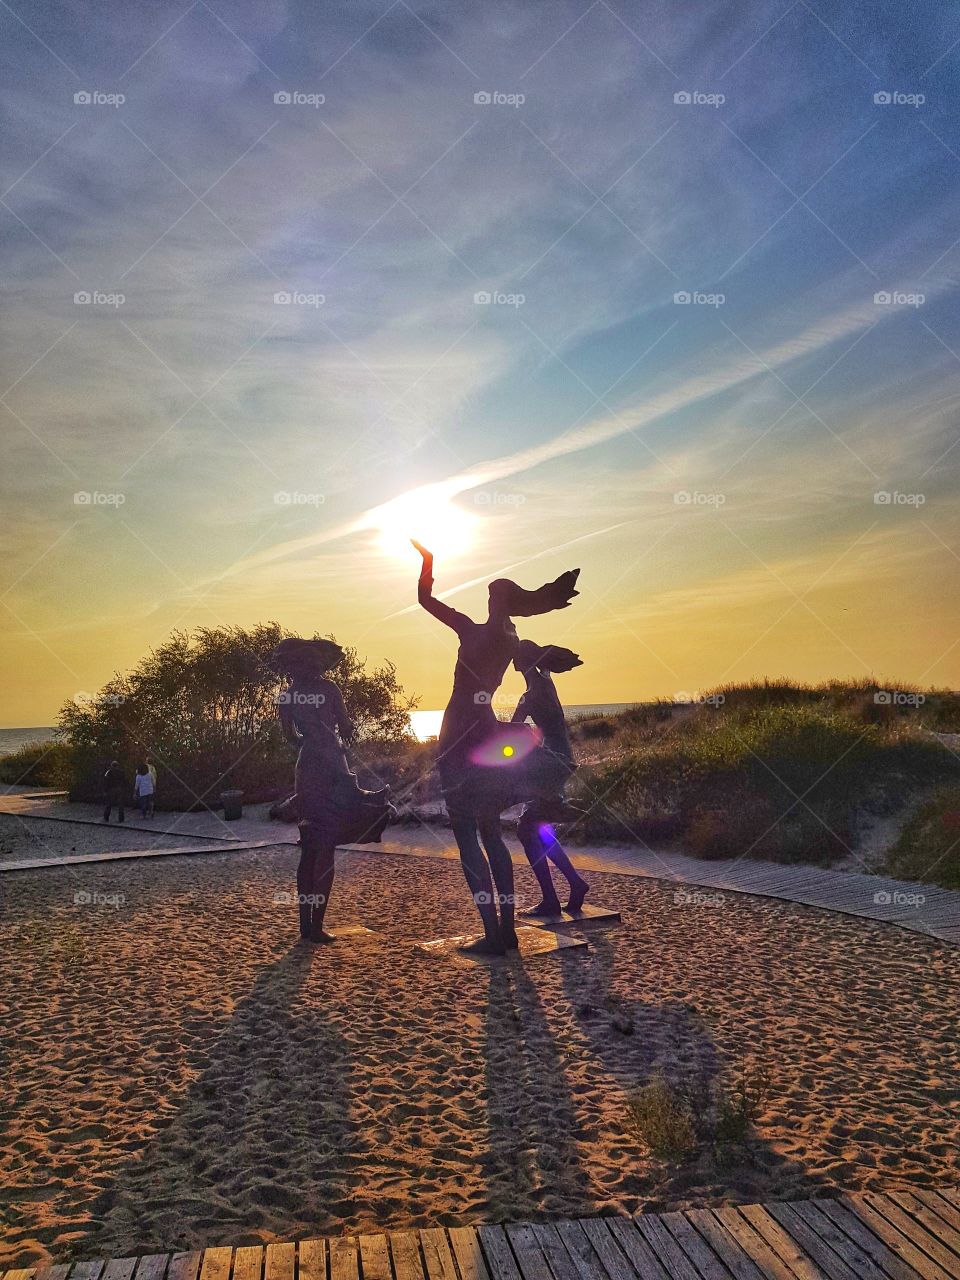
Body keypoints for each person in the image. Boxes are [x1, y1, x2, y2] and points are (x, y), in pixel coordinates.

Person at [412, 539, 580, 955]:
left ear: (497, 601)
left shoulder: (471, 630)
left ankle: (493, 933)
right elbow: (537, 656)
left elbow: (425, 600)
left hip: (459, 728)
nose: (487, 599)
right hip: (485, 727)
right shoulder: (510, 639)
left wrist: (428, 562)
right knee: (490, 831)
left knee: (467, 834)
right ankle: (507, 932)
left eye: (490, 594)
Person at [270, 637, 392, 944]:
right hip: (332, 764)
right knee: (325, 848)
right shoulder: (329, 689)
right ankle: (317, 926)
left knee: (309, 845)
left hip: (307, 766)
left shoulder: (287, 697)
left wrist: (308, 743)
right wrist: (338, 736)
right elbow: (346, 727)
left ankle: (306, 926)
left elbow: (290, 736)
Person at [511, 639, 590, 916]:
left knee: (526, 829)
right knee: (539, 828)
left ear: (520, 662)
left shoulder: (529, 695)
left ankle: (551, 899)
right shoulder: (546, 681)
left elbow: (512, 729)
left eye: (515, 657)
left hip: (551, 764)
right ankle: (574, 884)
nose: (512, 662)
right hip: (562, 759)